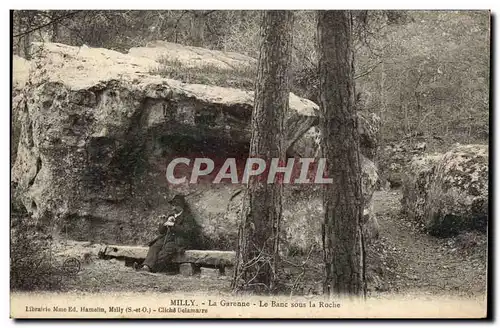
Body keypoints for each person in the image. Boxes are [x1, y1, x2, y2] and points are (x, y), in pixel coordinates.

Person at [135, 195, 200, 273]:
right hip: (166, 237)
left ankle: (150, 268)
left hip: (178, 240)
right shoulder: (171, 215)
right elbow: (161, 231)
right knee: (154, 246)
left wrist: (173, 225)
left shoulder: (187, 217)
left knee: (166, 251)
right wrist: (164, 222)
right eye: (172, 205)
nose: (173, 208)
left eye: (176, 206)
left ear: (181, 206)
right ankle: (146, 266)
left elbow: (188, 231)